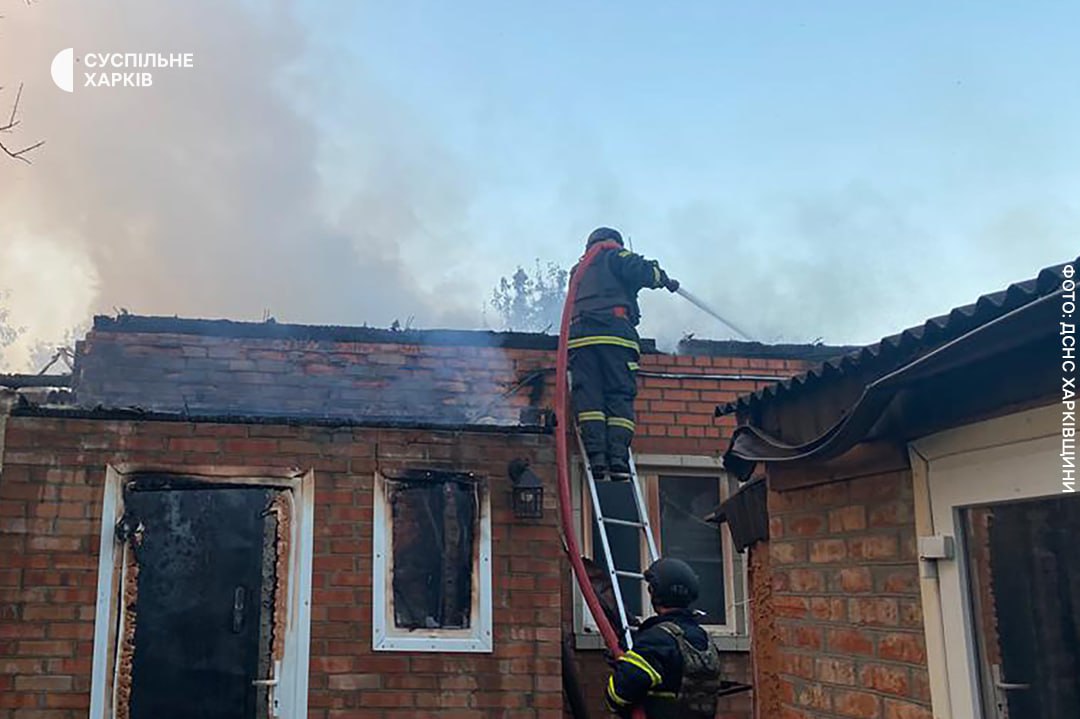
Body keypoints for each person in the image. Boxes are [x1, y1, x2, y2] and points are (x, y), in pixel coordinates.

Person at [568, 227, 678, 480]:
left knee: (589, 398)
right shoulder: (614, 255)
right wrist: (662, 277)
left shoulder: (578, 270)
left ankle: (596, 457)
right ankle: (617, 459)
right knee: (618, 394)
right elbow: (644, 271)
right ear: (613, 242)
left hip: (581, 340)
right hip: (614, 335)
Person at [605, 558, 724, 718]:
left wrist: (622, 666)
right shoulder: (705, 640)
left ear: (656, 593)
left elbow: (618, 694)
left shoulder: (656, 640)